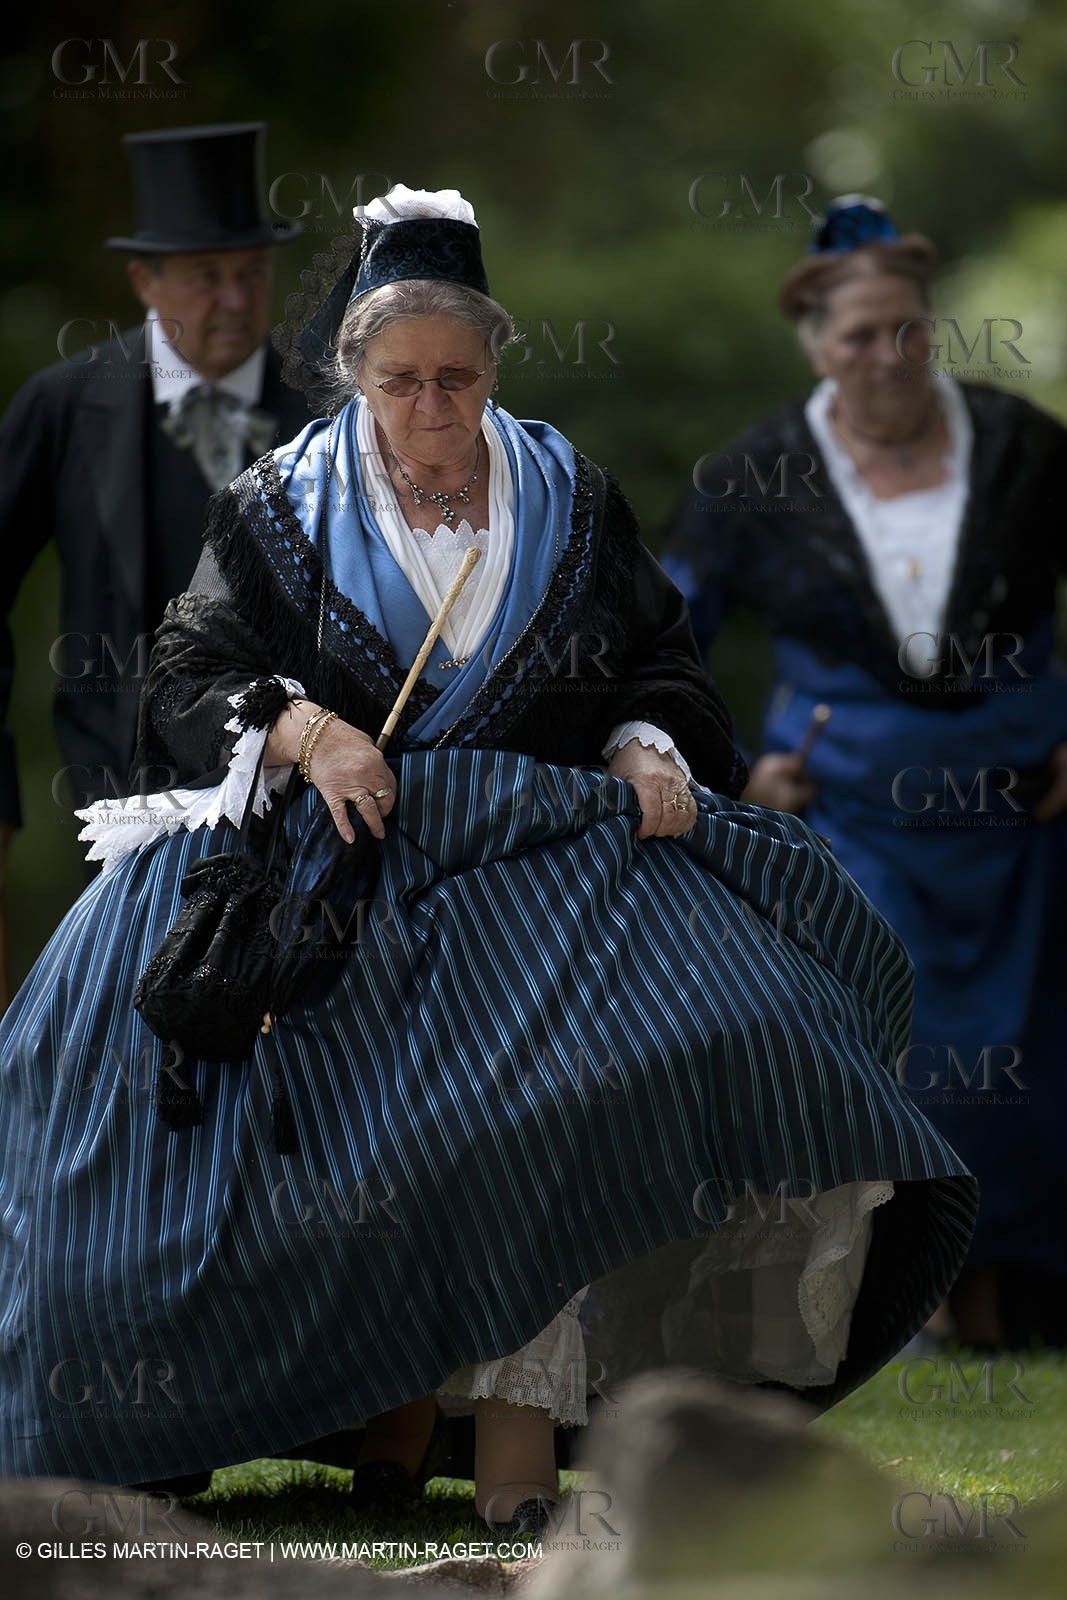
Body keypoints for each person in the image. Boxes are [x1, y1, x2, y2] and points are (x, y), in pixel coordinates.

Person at [0, 185, 976, 1537]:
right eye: (398, 380)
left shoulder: (566, 489)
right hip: (332, 864)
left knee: (692, 1047)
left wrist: (643, 741)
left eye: (456, 377)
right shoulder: (277, 505)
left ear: (494, 367)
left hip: (540, 857)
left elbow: (660, 659)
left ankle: (513, 1447)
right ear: (352, 372)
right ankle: (361, 1419)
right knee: (171, 1086)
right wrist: (306, 726)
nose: (429, 404)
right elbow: (184, 671)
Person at [661, 195, 1067, 1350]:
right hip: (852, 819)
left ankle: (1006, 1298)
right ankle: (910, 1298)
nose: (884, 357)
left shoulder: (1025, 445)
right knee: (893, 1046)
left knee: (1025, 1063)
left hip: (1018, 816)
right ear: (811, 343)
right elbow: (660, 639)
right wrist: (736, 772)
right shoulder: (749, 473)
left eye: (904, 329)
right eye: (855, 336)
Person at [0, 122, 310, 942]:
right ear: (145, 280)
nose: (237, 301)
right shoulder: (64, 406)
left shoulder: (328, 414)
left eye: (252, 273)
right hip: (118, 813)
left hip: (304, 814)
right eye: (208, 277)